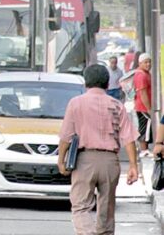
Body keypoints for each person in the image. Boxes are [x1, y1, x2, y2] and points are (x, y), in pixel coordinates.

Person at [58, 64, 139, 234]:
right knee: (107, 209)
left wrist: (61, 160)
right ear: (107, 84)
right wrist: (133, 166)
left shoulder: (75, 103)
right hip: (110, 162)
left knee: (81, 207)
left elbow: (66, 136)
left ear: (86, 83)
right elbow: (128, 137)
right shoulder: (117, 105)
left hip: (85, 161)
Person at [134, 53, 153, 157]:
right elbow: (143, 93)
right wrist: (148, 108)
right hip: (143, 107)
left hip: (143, 106)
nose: (148, 64)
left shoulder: (145, 73)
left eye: (149, 62)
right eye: (146, 62)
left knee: (146, 127)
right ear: (140, 63)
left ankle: (144, 148)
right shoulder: (141, 75)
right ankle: (143, 149)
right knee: (145, 127)